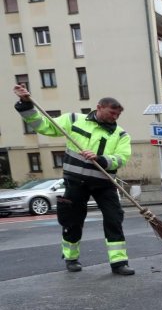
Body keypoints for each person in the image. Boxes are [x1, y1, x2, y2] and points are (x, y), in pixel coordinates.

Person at [12, 85, 135, 276]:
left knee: (114, 219)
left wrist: (101, 159)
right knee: (73, 221)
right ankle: (71, 258)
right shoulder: (73, 120)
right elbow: (43, 126)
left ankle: (119, 262)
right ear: (99, 107)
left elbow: (122, 158)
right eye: (112, 113)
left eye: (118, 115)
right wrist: (26, 104)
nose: (115, 118)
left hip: (104, 184)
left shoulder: (121, 134)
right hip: (75, 183)